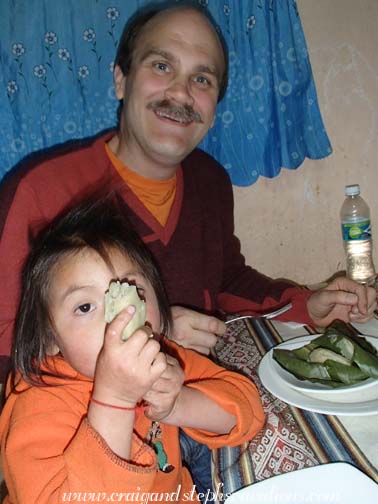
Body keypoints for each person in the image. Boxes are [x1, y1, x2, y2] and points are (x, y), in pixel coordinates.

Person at [0, 1, 376, 383]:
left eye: (202, 80)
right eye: (162, 66)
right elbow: (5, 347)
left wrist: (306, 304)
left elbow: (226, 281)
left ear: (213, 109)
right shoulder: (39, 192)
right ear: (121, 80)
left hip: (193, 398)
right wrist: (150, 334)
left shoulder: (210, 180)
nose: (180, 93)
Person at [0, 197, 265, 503]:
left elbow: (246, 411)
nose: (120, 316)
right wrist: (115, 400)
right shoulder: (38, 404)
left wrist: (177, 404)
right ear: (50, 339)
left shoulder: (163, 358)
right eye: (85, 306)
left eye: (133, 292)